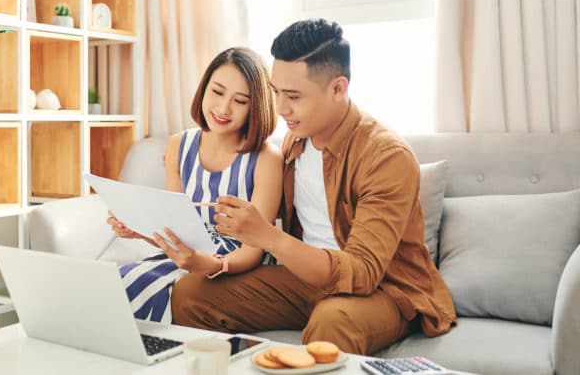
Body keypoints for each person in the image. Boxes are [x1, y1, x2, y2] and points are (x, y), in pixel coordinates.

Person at [167, 19, 456, 355]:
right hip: (305, 280)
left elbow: (362, 273)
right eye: (277, 93)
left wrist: (269, 237)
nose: (281, 109)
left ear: (338, 89)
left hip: (384, 290)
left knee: (332, 321)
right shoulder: (295, 141)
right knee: (190, 294)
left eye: (293, 96)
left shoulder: (386, 156)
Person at [107, 47, 283, 323]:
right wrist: (137, 230)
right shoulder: (178, 145)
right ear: (204, 89)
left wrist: (210, 263)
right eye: (217, 92)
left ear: (256, 107)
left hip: (240, 266)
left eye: (240, 101)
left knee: (159, 291)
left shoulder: (266, 158)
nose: (223, 108)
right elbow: (174, 231)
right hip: (189, 259)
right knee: (120, 282)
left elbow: (255, 249)